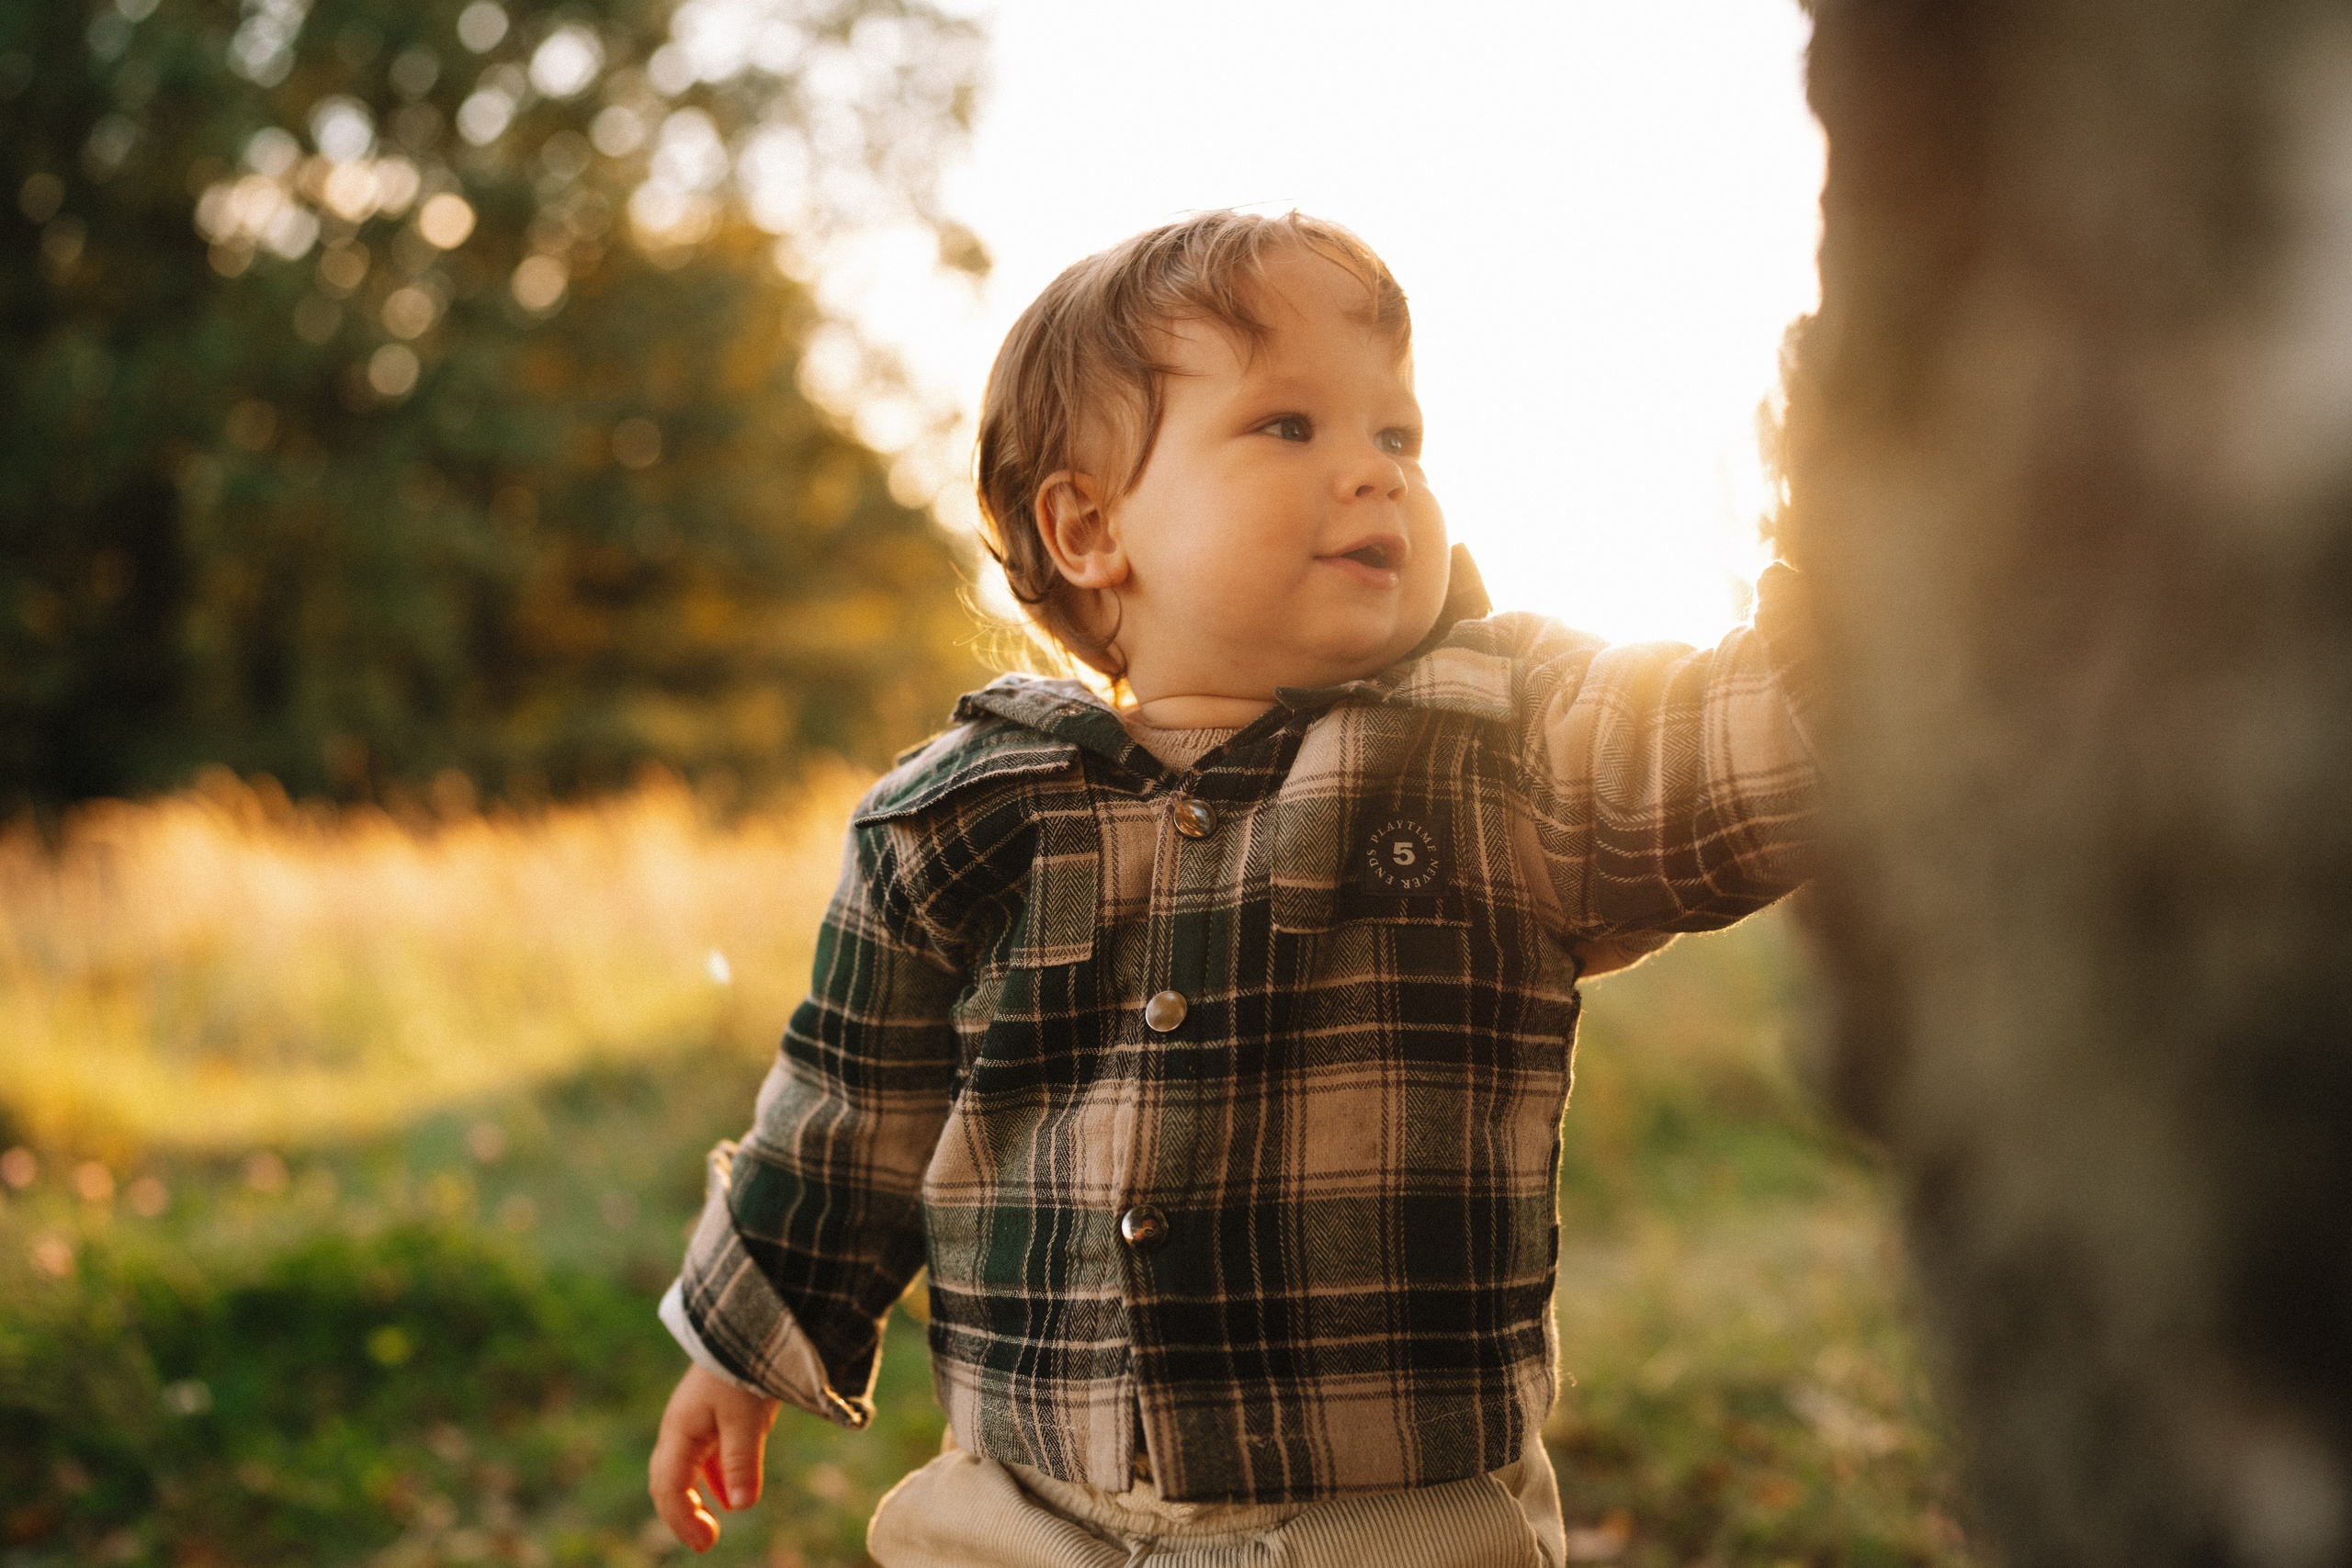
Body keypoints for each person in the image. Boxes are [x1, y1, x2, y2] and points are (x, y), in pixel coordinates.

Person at [647, 209, 1818, 1566]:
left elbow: (1747, 752)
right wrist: (736, 1343)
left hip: (1388, 1521)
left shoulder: (1501, 748)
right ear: (1090, 528)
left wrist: (1855, 569)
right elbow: (849, 1114)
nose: (1379, 477)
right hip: (1029, 1512)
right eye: (1290, 427)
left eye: (1400, 437)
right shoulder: (962, 816)